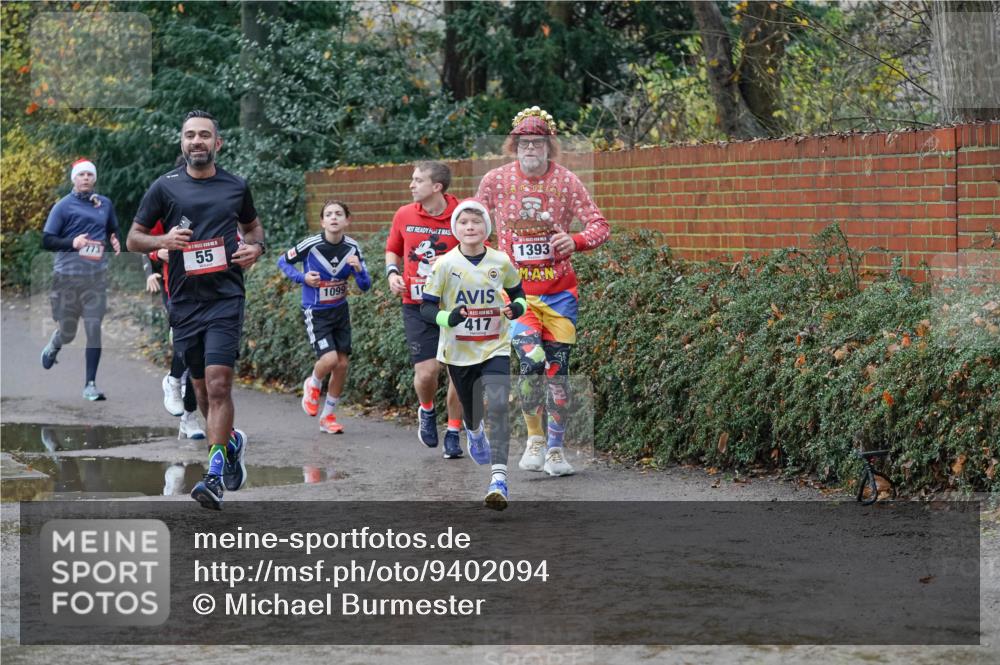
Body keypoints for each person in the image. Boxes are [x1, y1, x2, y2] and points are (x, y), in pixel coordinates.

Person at [126, 110, 266, 510]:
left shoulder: (236, 186)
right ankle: (231, 441)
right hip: (185, 301)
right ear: (182, 143)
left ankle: (214, 476)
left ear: (217, 143)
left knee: (220, 385)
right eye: (190, 135)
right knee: (202, 391)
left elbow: (254, 229)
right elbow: (134, 238)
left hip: (225, 297)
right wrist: (163, 240)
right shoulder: (164, 187)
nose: (197, 141)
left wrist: (255, 248)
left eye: (205, 135)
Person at [475, 106, 610, 477]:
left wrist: (576, 240)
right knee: (531, 363)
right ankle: (534, 439)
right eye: (523, 143)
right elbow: (473, 223)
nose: (530, 148)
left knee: (558, 373)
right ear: (513, 146)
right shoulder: (495, 181)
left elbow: (600, 225)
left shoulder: (567, 182)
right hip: (517, 295)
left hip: (560, 295)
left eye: (537, 142)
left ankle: (555, 449)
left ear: (549, 147)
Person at [420, 199, 527, 510]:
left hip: (495, 345)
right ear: (456, 228)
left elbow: (519, 296)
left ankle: (499, 480)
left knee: (498, 405)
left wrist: (515, 309)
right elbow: (426, 307)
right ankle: (472, 430)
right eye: (464, 222)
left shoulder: (500, 260)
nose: (470, 227)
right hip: (458, 351)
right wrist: (447, 318)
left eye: (476, 222)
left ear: (486, 228)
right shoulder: (444, 265)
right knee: (472, 410)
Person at [385, 161, 464, 458]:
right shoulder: (404, 214)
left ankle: (454, 432)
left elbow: (480, 248)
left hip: (457, 309)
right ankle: (427, 411)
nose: (411, 184)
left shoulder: (462, 215)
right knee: (428, 373)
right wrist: (392, 274)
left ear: (437, 187)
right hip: (417, 306)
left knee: (459, 375)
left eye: (418, 180)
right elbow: (392, 247)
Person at [277, 199, 371, 434]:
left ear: (347, 220)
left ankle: (328, 416)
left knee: (342, 365)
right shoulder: (311, 244)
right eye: (328, 214)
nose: (334, 217)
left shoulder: (353, 247)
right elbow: (283, 261)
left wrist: (358, 269)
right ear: (322, 221)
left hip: (340, 311)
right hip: (316, 311)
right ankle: (313, 382)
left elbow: (365, 285)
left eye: (339, 213)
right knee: (329, 361)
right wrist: (303, 278)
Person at [40, 158, 122, 400]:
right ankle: (56, 343)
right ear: (74, 179)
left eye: (89, 174)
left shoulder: (104, 204)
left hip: (95, 277)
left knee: (94, 327)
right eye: (81, 175)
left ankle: (90, 384)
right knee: (68, 332)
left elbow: (112, 227)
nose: (85, 178)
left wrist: (115, 237)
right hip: (67, 277)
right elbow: (47, 240)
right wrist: (72, 243)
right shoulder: (63, 207)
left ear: (94, 178)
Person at [141, 220, 205, 440]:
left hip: (212, 287)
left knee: (202, 357)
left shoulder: (219, 197)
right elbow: (143, 240)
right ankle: (174, 380)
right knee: (189, 344)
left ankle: (188, 416)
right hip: (177, 289)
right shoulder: (169, 200)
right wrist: (157, 255)